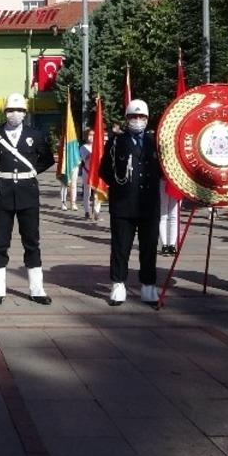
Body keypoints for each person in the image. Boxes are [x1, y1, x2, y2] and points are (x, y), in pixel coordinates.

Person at [0, 93, 55, 305]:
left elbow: (48, 159)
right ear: (5, 112)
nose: (14, 114)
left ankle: (37, 289)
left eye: (18, 110)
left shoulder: (35, 134)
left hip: (27, 193)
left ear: (25, 113)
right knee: (0, 243)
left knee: (32, 242)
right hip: (3, 193)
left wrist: (31, 172)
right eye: (10, 110)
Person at [102, 100, 162, 306]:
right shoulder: (116, 142)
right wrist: (122, 187)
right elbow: (105, 170)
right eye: (133, 117)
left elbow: (164, 171)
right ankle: (118, 284)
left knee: (149, 247)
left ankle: (148, 286)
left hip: (149, 204)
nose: (138, 120)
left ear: (147, 119)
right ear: (127, 119)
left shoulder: (156, 142)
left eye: (141, 117)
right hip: (123, 204)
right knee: (120, 247)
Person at [79, 128, 103, 221]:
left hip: (97, 172)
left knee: (98, 192)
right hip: (87, 172)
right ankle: (87, 211)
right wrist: (93, 152)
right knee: (87, 192)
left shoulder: (98, 146)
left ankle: (97, 212)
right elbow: (86, 158)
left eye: (93, 135)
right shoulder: (83, 147)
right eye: (89, 135)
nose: (91, 137)